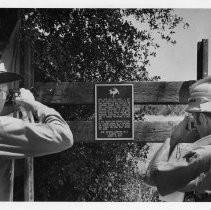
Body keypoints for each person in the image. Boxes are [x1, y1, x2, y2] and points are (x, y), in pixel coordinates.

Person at [0, 63, 73, 201]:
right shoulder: (3, 127)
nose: (4, 95)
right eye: (2, 90)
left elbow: (24, 139)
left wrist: (25, 116)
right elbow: (64, 136)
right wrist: (32, 104)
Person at [144, 76, 211, 200]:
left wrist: (173, 139)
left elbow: (152, 177)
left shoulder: (203, 156)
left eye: (194, 118)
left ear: (201, 118)